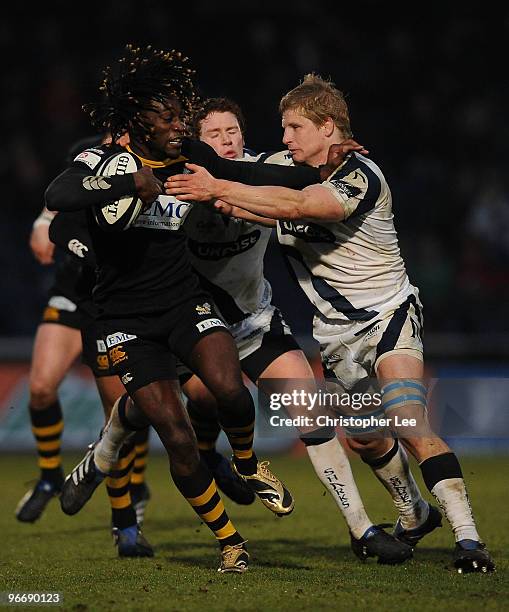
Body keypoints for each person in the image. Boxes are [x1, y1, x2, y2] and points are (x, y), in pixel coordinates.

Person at [165, 74, 495, 574]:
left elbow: (299, 206)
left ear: (326, 128)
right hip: (336, 335)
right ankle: (414, 513)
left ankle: (469, 541)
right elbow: (243, 189)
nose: (285, 139)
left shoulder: (361, 175)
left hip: (387, 316)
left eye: (294, 127)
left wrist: (219, 187)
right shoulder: (288, 172)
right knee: (364, 438)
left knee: (408, 421)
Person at [44, 45, 333, 572]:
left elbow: (240, 173)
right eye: (170, 119)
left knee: (229, 390)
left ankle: (246, 464)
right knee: (174, 433)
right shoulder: (104, 160)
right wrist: (129, 184)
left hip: (184, 302)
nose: (182, 126)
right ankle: (229, 540)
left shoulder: (189, 159)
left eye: (182, 117)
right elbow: (61, 197)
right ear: (141, 124)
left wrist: (323, 171)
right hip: (124, 320)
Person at [178, 96, 413, 564]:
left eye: (233, 132)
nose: (226, 141)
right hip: (195, 329)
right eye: (213, 135)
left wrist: (339, 152)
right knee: (200, 401)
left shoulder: (267, 168)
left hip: (254, 324)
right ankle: (203, 459)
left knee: (312, 414)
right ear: (196, 143)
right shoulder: (179, 185)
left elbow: (313, 173)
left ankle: (361, 529)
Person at [17, 137, 152, 554]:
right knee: (40, 388)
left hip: (116, 300)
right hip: (75, 291)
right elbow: (55, 206)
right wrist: (44, 226)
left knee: (126, 411)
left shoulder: (156, 160)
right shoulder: (88, 153)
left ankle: (129, 510)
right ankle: (49, 476)